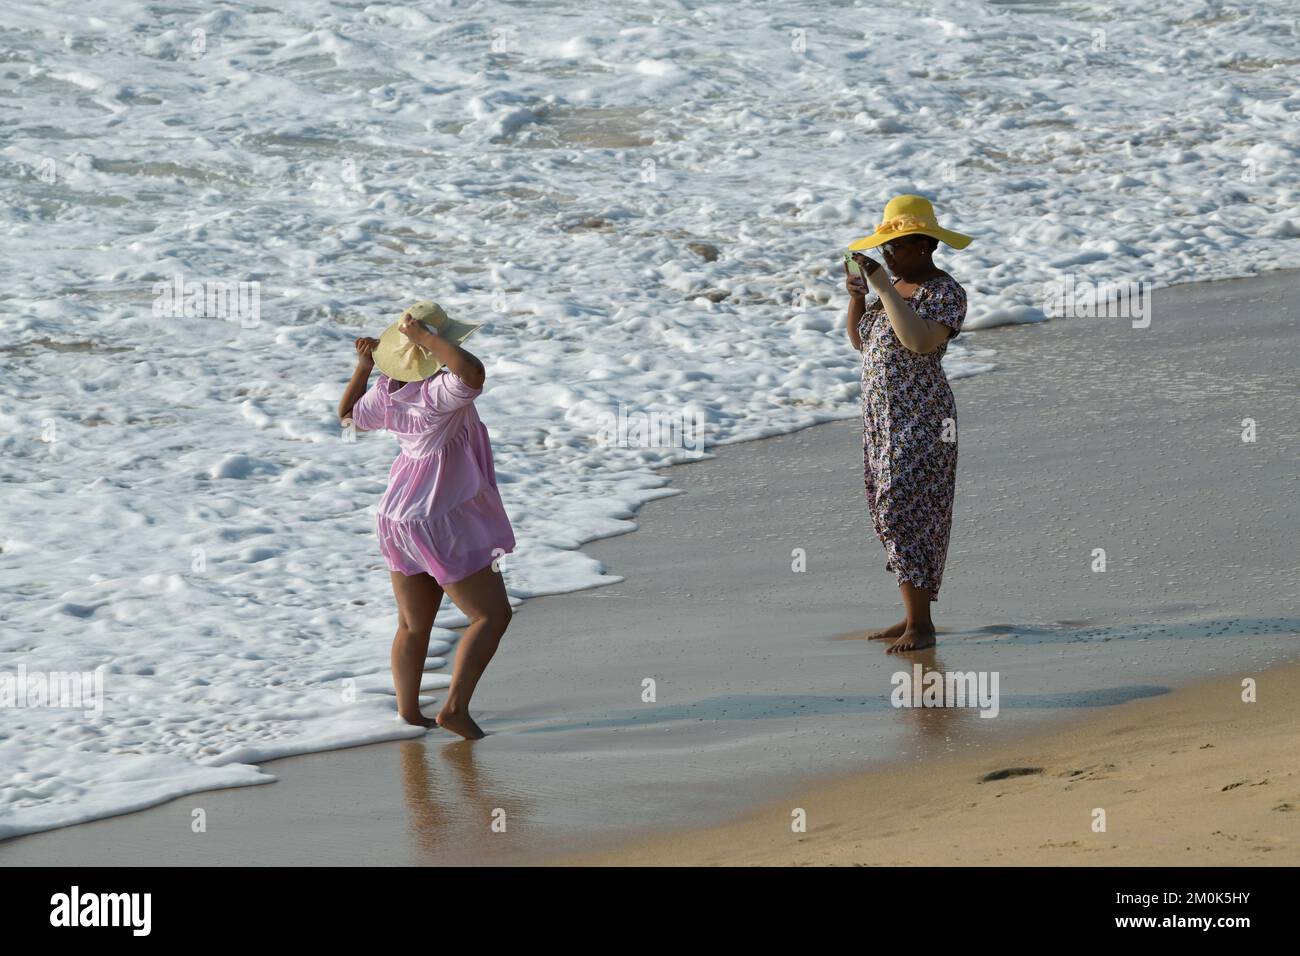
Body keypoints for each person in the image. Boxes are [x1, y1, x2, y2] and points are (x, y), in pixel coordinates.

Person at [338, 301, 516, 738]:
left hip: (396, 515)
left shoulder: (387, 390)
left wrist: (363, 368)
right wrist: (428, 338)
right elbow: (473, 372)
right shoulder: (438, 393)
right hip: (439, 516)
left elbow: (346, 419)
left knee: (413, 624)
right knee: (491, 616)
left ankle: (409, 714)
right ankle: (454, 708)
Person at [844, 195, 973, 654]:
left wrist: (882, 290)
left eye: (894, 247)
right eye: (884, 248)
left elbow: (918, 343)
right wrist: (859, 299)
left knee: (908, 510)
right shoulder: (893, 288)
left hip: (923, 420)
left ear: (923, 245)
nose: (887, 256)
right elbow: (864, 344)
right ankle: (912, 614)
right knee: (886, 511)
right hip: (882, 419)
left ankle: (922, 625)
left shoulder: (945, 293)